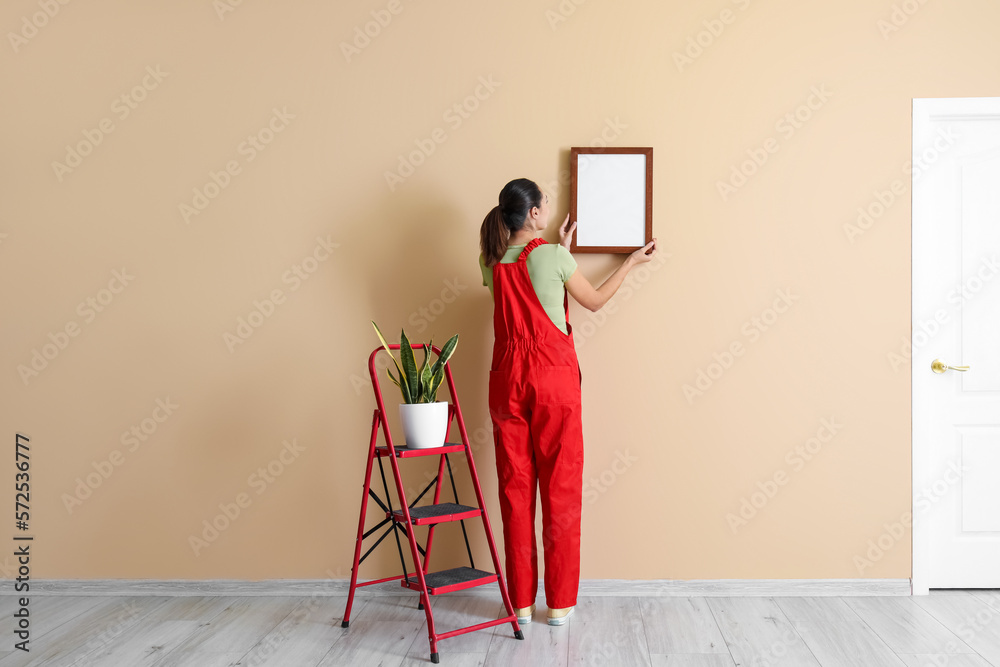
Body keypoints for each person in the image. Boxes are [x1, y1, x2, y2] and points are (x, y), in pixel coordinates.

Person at [478, 177, 657, 626]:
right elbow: (593, 301)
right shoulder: (554, 257)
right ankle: (557, 607)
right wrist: (630, 263)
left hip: (506, 380)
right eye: (544, 206)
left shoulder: (490, 260)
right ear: (534, 213)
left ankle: (519, 603)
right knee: (560, 489)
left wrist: (557, 247)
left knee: (514, 491)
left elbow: (521, 279)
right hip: (551, 380)